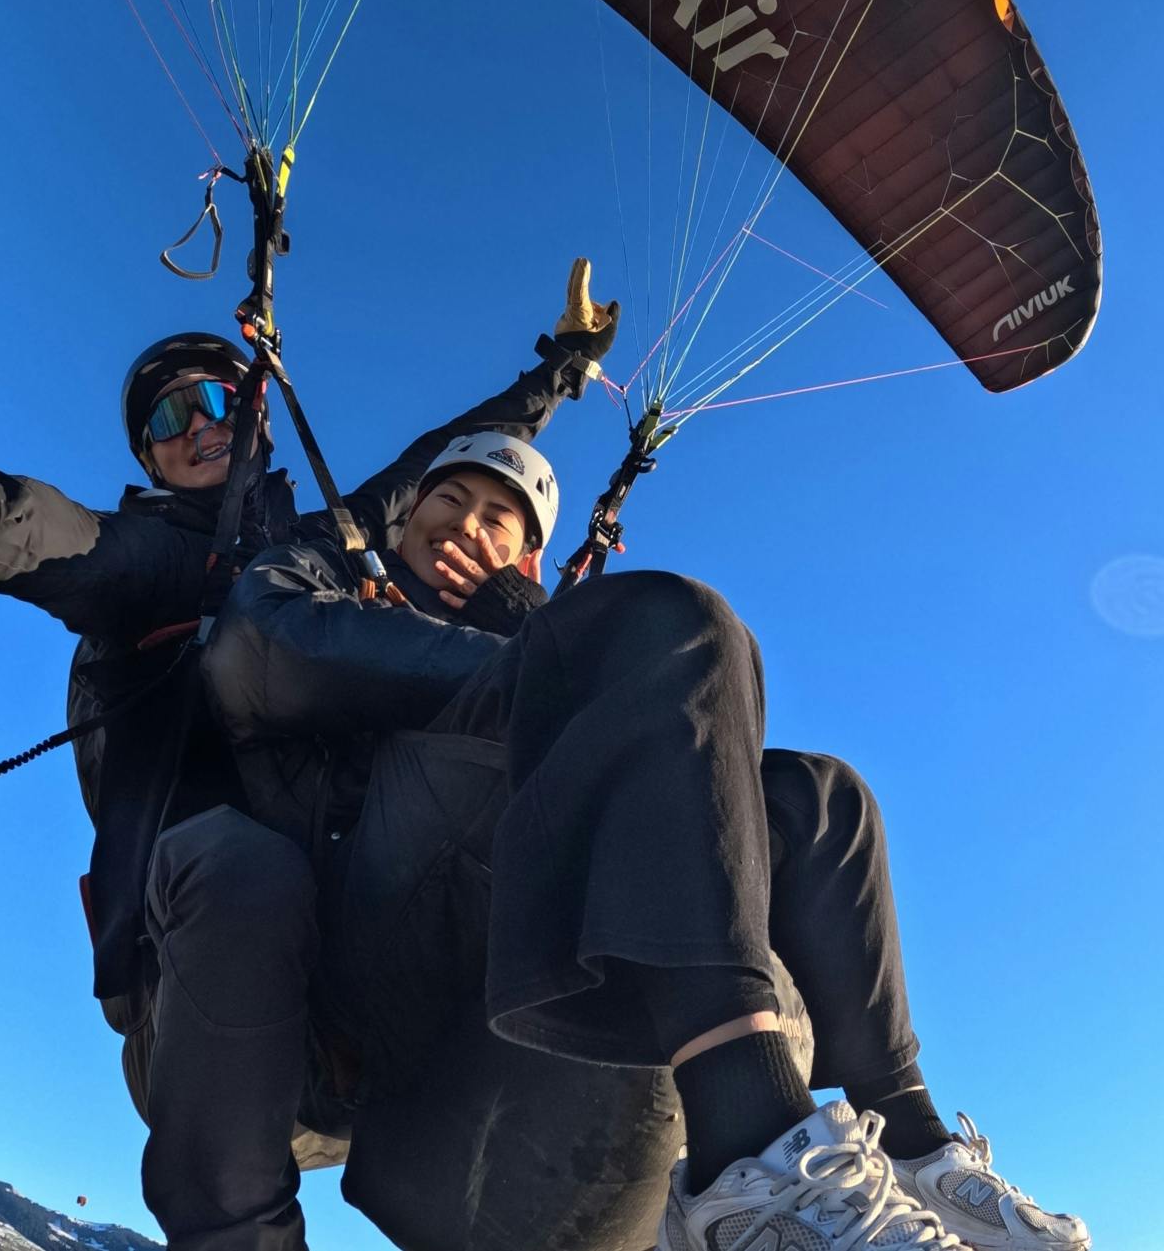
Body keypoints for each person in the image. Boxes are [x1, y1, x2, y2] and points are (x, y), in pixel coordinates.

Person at [0, 264, 620, 1251]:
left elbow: (444, 474)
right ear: (148, 459)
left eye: (217, 399)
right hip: (214, 1001)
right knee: (241, 865)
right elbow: (31, 531)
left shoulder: (322, 549)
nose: (197, 426)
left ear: (255, 412)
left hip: (359, 979)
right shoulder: (143, 562)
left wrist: (559, 369)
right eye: (166, 421)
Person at [205, 433, 1091, 1251]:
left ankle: (914, 1146)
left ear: (528, 556)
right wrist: (556, 660)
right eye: (450, 501)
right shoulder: (330, 592)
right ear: (407, 517)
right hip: (366, 940)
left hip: (495, 914)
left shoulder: (533, 630)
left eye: (496, 518)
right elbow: (257, 647)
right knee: (669, 620)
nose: (465, 525)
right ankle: (751, 1158)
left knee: (820, 796)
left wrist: (532, 630)